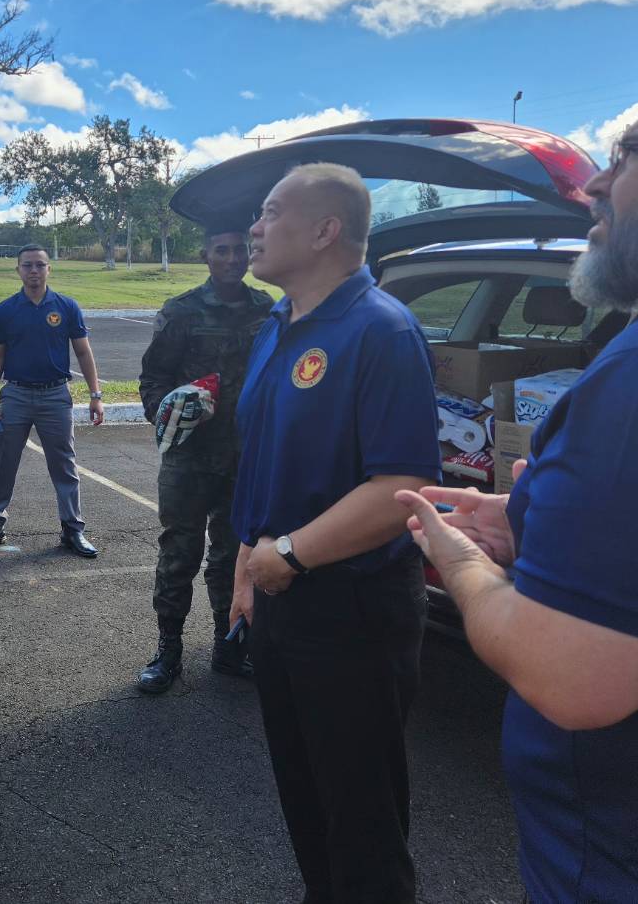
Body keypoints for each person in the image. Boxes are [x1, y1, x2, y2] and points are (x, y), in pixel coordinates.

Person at [398, 58, 638, 902]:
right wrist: (526, 514)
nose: (594, 188)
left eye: (630, 152)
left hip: (635, 863)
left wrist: (463, 560)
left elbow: (576, 682)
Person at [231, 163, 440, 904]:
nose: (252, 228)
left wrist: (285, 554)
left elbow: (399, 490)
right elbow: (261, 461)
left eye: (269, 212)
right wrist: (244, 572)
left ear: (324, 230)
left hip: (352, 614)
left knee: (362, 824)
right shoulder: (275, 328)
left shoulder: (379, 331)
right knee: (307, 806)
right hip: (280, 601)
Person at [135, 227, 273, 693]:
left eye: (240, 250)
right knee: (180, 553)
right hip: (189, 458)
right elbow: (153, 378)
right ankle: (168, 651)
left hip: (245, 457)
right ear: (206, 256)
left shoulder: (268, 310)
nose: (233, 259)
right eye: (223, 251)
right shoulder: (181, 311)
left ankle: (228, 647)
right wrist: (170, 414)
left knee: (234, 556)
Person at [0, 245, 105, 557]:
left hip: (56, 396)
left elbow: (83, 352)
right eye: (28, 266)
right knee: (3, 463)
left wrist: (95, 396)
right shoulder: (6, 310)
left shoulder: (66, 307)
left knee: (64, 465)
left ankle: (72, 531)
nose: (34, 271)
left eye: (40, 266)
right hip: (16, 395)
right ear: (17, 269)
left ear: (49, 269)